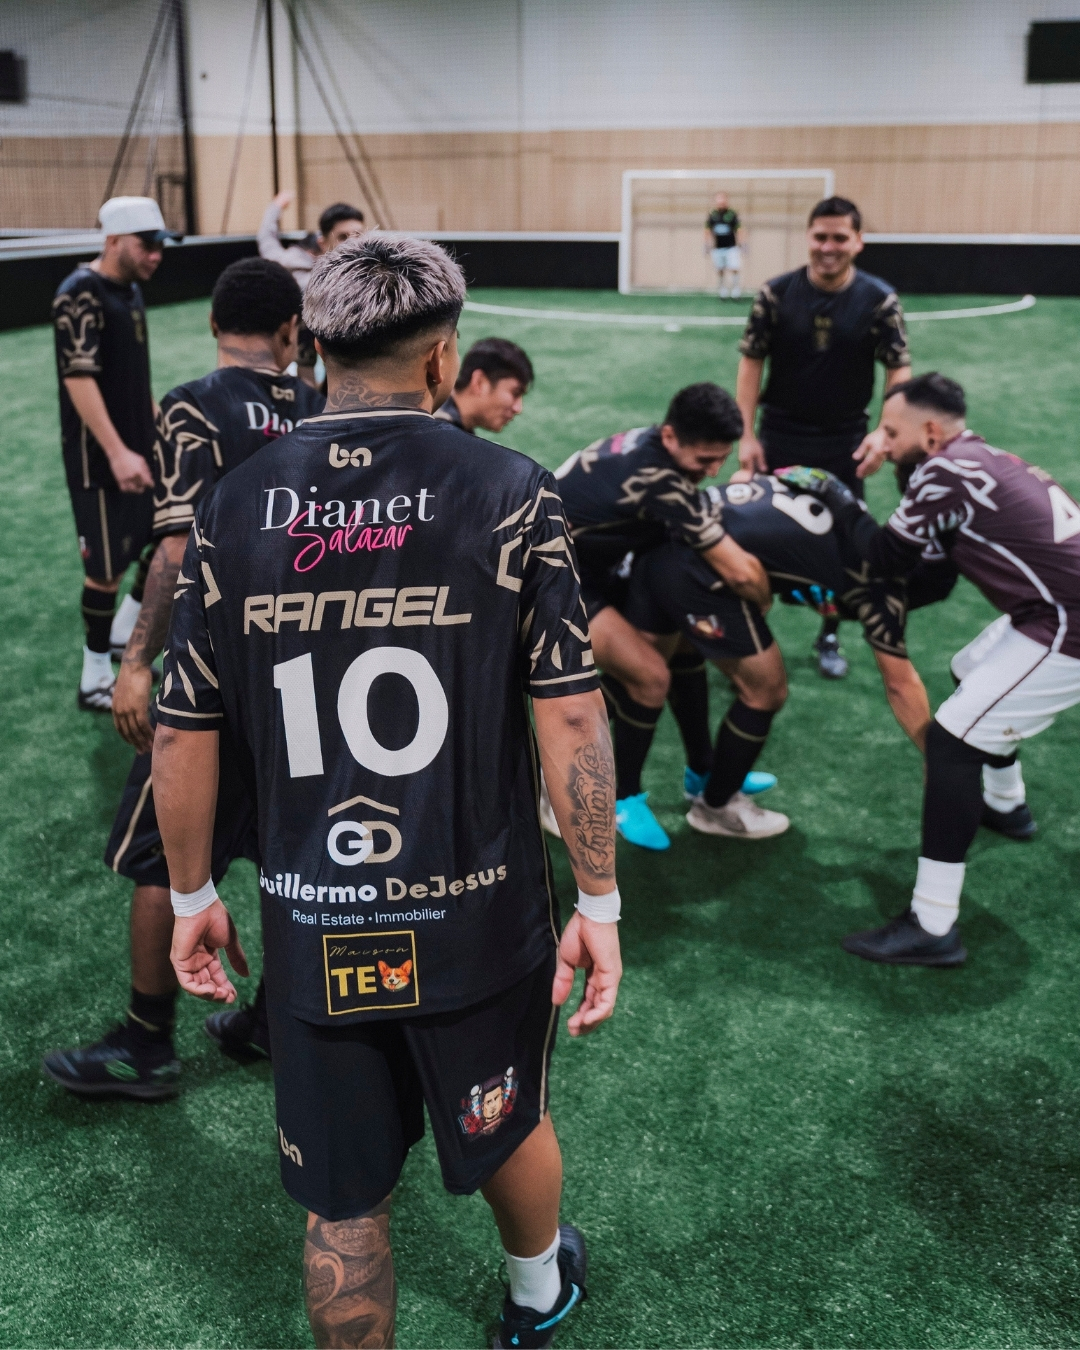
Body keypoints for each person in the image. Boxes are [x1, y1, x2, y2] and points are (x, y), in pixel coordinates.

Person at [153, 235, 622, 1348]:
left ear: (311, 345)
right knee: (510, 1119)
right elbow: (569, 714)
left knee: (343, 1200)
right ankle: (535, 1296)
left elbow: (184, 731)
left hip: (317, 918)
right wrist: (599, 901)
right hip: (480, 908)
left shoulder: (234, 504)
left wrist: (186, 894)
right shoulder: (514, 489)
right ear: (444, 353)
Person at [42, 258, 324, 1099]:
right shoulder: (319, 408)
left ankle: (147, 1046)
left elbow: (174, 547)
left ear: (212, 323)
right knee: (293, 853)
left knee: (163, 858)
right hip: (306, 676)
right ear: (291, 334)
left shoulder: (196, 403)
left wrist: (135, 663)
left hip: (216, 677)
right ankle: (276, 1022)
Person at [785, 374, 1080, 966]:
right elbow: (931, 579)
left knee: (949, 743)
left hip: (1066, 623)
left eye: (891, 432)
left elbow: (882, 557)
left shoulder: (944, 472)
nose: (882, 442)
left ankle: (933, 923)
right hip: (1047, 611)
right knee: (971, 671)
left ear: (930, 431)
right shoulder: (969, 461)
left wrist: (838, 496)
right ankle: (1007, 805)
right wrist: (848, 607)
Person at [621, 470, 956, 839]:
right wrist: (936, 755)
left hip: (666, 540)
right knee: (766, 690)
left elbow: (799, 481)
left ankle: (703, 774)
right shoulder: (885, 585)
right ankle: (715, 807)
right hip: (694, 567)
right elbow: (900, 684)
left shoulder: (851, 509)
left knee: (679, 658)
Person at [553, 385, 773, 850]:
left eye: (721, 459)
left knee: (686, 642)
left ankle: (703, 770)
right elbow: (740, 569)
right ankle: (620, 796)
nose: (714, 471)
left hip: (593, 566)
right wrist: (762, 600)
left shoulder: (652, 445)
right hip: (550, 582)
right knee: (650, 676)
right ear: (670, 436)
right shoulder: (660, 478)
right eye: (704, 460)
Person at [735, 195, 912, 679]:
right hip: (779, 436)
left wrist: (884, 433)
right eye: (820, 236)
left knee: (839, 548)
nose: (828, 247)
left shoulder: (879, 300)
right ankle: (748, 637)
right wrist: (746, 436)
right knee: (752, 537)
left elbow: (899, 369)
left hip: (845, 443)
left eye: (839, 238)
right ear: (808, 238)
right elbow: (752, 361)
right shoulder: (775, 294)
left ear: (858, 242)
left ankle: (828, 634)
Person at [53, 196, 178, 711]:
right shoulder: (79, 292)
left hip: (140, 448)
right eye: (146, 245)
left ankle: (125, 631)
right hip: (100, 462)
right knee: (104, 569)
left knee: (164, 536)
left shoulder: (129, 290)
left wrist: (160, 430)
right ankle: (93, 676)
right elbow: (78, 378)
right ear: (112, 241)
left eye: (159, 246)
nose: (156, 256)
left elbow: (134, 377)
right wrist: (119, 453)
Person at [258, 191, 366, 386]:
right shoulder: (300, 273)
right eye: (343, 237)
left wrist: (276, 206)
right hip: (305, 332)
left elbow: (267, 238)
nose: (353, 244)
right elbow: (267, 240)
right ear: (322, 244)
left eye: (358, 235)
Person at [435, 337, 533, 434]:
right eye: (515, 393)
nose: (518, 409)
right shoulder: (438, 433)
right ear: (479, 382)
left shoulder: (444, 426)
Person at [703, 192, 742, 299]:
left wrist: (742, 243)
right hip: (718, 247)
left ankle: (735, 289)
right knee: (720, 269)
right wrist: (706, 244)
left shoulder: (732, 213)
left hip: (731, 247)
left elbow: (738, 229)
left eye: (723, 200)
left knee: (734, 268)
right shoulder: (712, 214)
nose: (721, 203)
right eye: (719, 201)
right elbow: (707, 230)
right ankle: (722, 289)